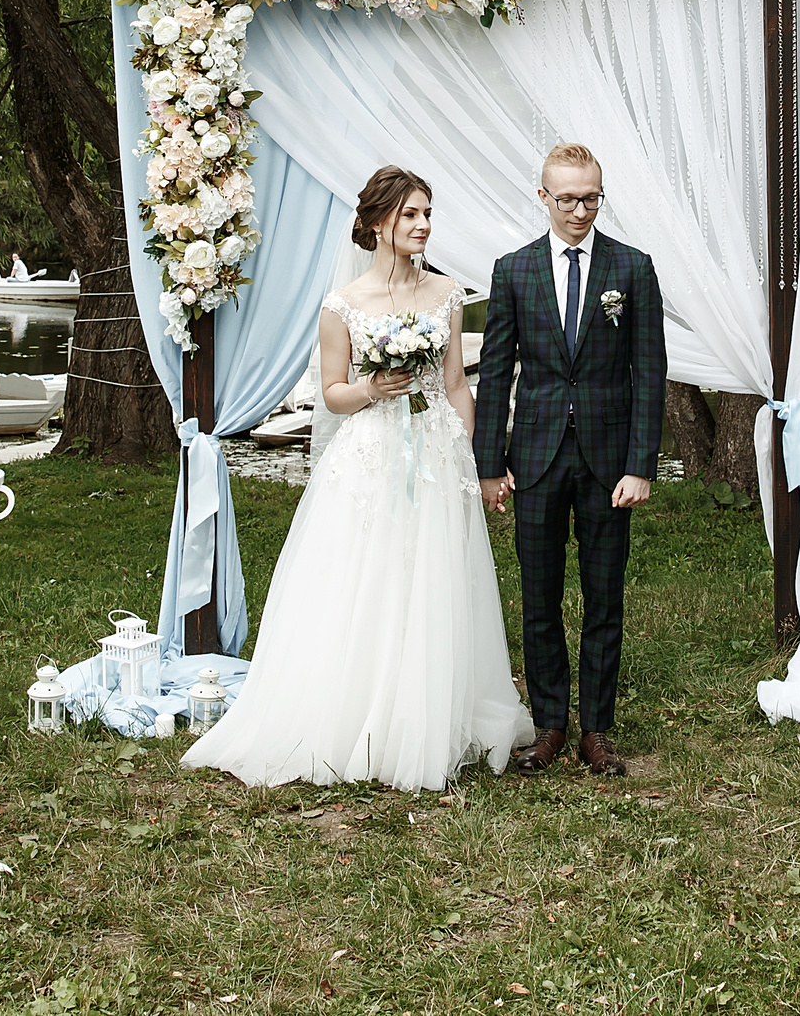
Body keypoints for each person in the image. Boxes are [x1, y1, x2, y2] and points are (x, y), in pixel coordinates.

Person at [182, 166, 533, 790]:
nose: (423, 225)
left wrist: (478, 459)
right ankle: (360, 711)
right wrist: (371, 387)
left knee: (434, 575)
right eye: (410, 215)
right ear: (376, 224)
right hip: (372, 450)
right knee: (367, 574)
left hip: (435, 452)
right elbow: (333, 394)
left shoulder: (447, 296)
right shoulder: (342, 305)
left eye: (427, 213)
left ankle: (430, 711)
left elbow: (455, 384)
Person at [475, 142, 667, 777]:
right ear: (543, 197)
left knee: (604, 594)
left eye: (591, 197)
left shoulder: (632, 268)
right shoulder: (513, 271)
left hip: (610, 460)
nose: (580, 210)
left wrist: (641, 464)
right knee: (539, 596)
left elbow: (650, 373)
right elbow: (496, 374)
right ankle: (550, 724)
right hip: (533, 458)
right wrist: (488, 465)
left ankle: (598, 730)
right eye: (567, 199)